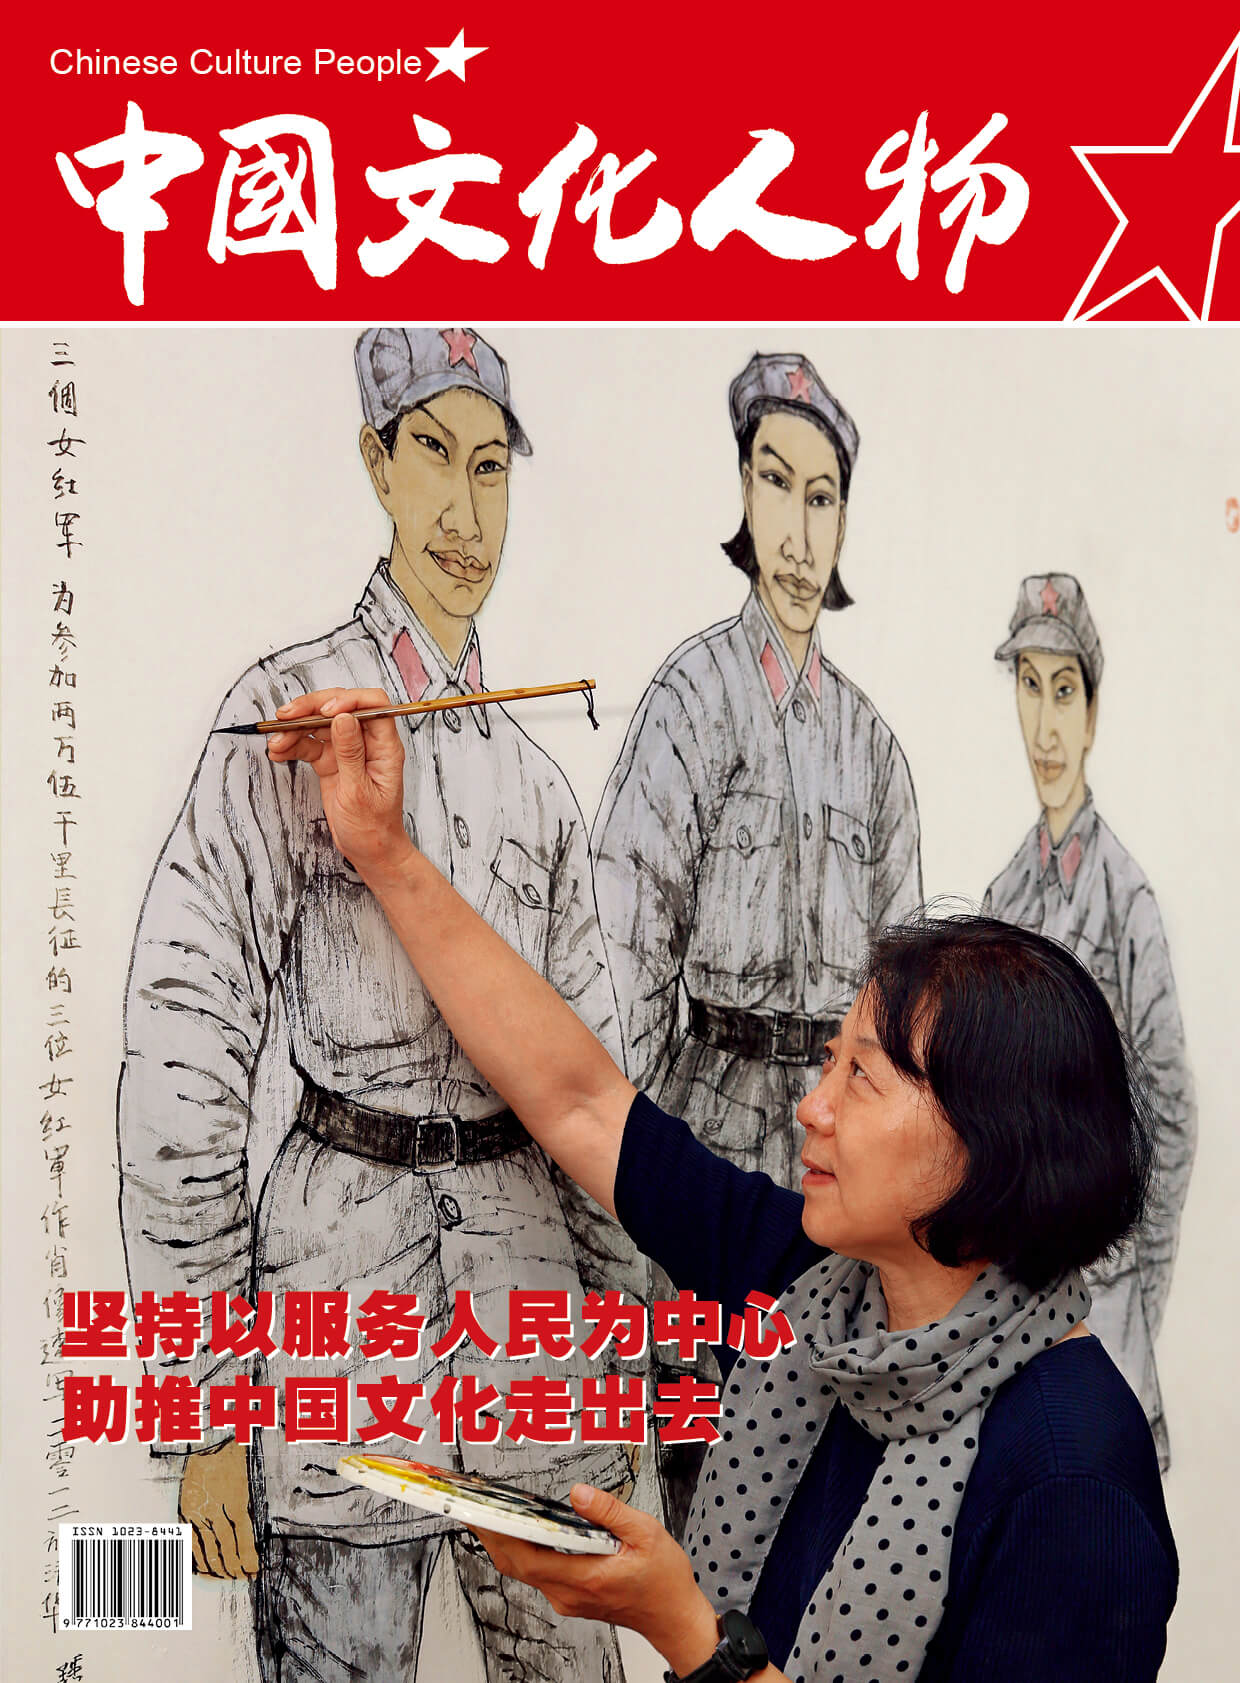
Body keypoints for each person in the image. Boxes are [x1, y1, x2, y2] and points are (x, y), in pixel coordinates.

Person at [264, 684, 1177, 1683]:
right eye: (828, 1064)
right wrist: (384, 853)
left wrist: (688, 1631)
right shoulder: (807, 1288)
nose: (811, 1108)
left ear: (990, 1143)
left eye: (862, 1078)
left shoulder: (1073, 1477)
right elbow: (581, 1106)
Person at [117, 328, 639, 1683]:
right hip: (339, 1335)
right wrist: (204, 1408)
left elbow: (597, 1103)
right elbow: (182, 1052)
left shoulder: (535, 784)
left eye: (491, 468)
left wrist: (625, 1368)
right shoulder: (281, 724)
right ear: (375, 463)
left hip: (534, 1349)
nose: (465, 513)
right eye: (433, 456)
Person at [591, 350, 921, 1533]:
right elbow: (622, 972)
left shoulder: (875, 752)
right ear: (742, 491)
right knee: (699, 1493)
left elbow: (910, 1024)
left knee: (833, 1483)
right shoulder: (687, 703)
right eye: (775, 484)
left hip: (839, 1157)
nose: (797, 530)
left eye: (821, 497)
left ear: (844, 520)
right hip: (706, 1132)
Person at [983, 573, 1195, 1472]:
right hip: (1011, 1313)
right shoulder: (1001, 899)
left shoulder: (1126, 897)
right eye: (1028, 687)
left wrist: (1136, 1286)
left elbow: (1172, 1115)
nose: (1045, 727)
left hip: (1108, 1309)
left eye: (1063, 691)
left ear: (1093, 711)